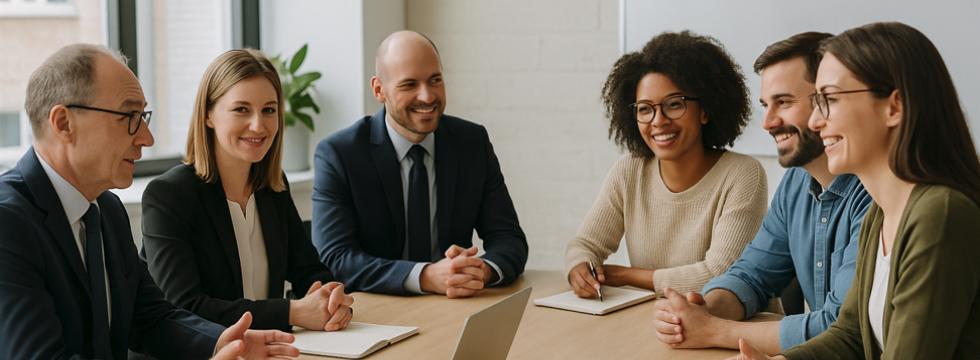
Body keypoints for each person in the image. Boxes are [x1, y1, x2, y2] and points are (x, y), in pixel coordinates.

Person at [0, 43, 297, 359]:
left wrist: (222, 343)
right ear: (63, 123)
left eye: (143, 117)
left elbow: (150, 319)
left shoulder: (107, 210)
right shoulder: (8, 224)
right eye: (129, 116)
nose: (147, 138)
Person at [735, 22, 980, 360]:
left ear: (894, 107)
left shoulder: (939, 213)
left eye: (830, 100)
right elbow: (849, 335)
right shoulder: (881, 214)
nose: (817, 122)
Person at [650, 32, 872, 354]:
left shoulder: (877, 193)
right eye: (766, 105)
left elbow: (840, 327)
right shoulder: (796, 182)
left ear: (829, 101)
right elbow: (752, 274)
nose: (767, 122)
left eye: (783, 102)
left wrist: (714, 331)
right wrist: (704, 308)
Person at [141, 49, 354, 332]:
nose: (258, 125)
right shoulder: (169, 196)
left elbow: (308, 270)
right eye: (241, 109)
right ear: (208, 115)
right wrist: (293, 312)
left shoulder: (273, 186)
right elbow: (185, 307)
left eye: (269, 110)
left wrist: (330, 297)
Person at [312, 31, 528, 297]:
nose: (427, 96)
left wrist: (479, 270)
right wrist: (425, 276)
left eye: (435, 80)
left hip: (454, 306)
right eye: (409, 84)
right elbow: (336, 258)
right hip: (377, 314)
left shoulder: (471, 142)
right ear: (379, 90)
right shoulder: (340, 154)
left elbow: (509, 238)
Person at [565, 31, 768, 298]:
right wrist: (579, 267)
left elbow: (720, 275)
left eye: (674, 105)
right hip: (657, 321)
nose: (658, 121)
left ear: (705, 110)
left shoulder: (743, 175)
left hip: (731, 327)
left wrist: (626, 276)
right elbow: (585, 243)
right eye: (645, 109)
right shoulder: (630, 171)